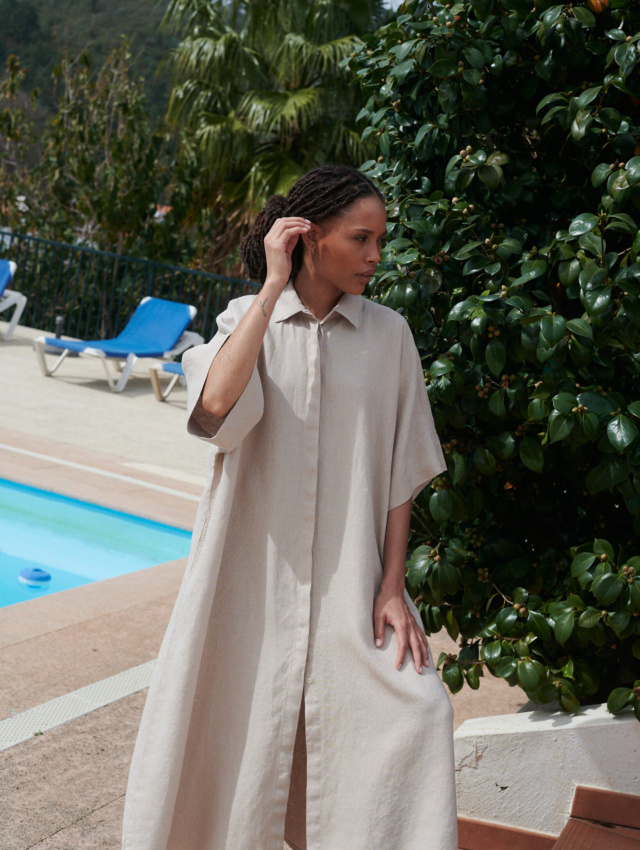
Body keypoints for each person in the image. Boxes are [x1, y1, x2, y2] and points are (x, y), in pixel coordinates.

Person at [121, 165, 457, 850]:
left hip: (351, 589)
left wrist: (391, 589)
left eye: (380, 241)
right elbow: (216, 411)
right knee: (233, 737)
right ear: (309, 237)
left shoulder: (390, 336)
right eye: (361, 239)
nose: (374, 257)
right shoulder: (244, 324)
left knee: (416, 713)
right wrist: (271, 287)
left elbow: (402, 473)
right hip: (248, 584)